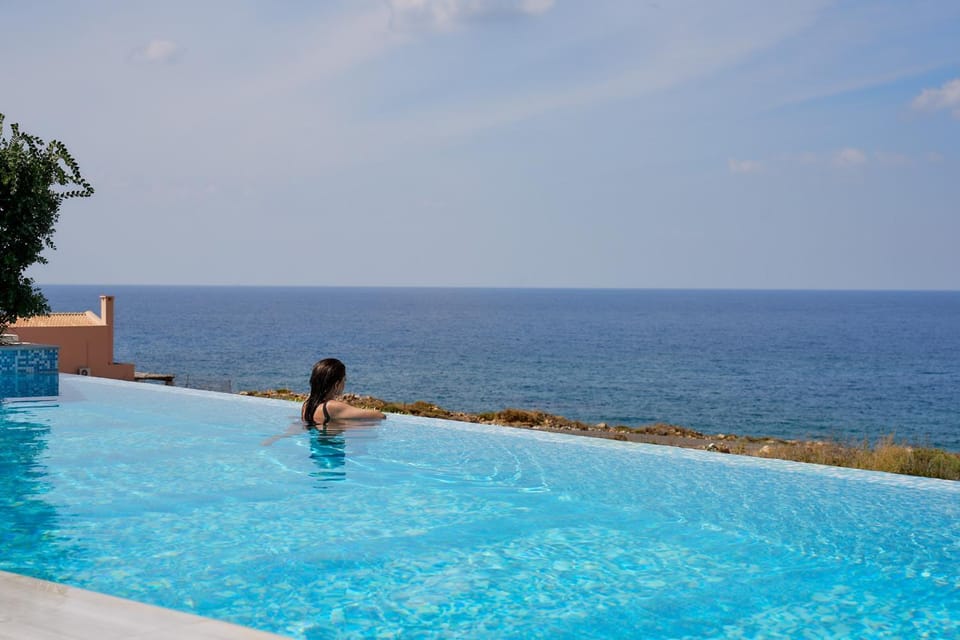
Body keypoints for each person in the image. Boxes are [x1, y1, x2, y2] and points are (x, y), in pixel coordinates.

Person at [302, 358, 385, 426]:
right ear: (337, 384)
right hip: (331, 446)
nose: (345, 383)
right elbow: (380, 415)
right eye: (344, 380)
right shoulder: (330, 407)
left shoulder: (306, 405)